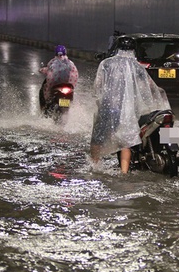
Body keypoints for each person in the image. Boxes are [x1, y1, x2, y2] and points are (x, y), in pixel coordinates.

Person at [90, 37, 171, 174]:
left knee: (98, 138)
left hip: (108, 107)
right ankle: (124, 172)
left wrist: (99, 100)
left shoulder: (106, 64)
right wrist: (160, 93)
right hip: (129, 110)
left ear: (117, 48)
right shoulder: (138, 66)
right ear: (134, 50)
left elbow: (98, 86)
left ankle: (95, 166)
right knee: (125, 141)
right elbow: (149, 86)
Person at [38, 44, 79, 109]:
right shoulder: (70, 63)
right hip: (68, 85)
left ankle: (44, 107)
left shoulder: (53, 61)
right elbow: (75, 73)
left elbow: (49, 70)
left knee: (45, 90)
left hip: (56, 86)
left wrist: (41, 70)